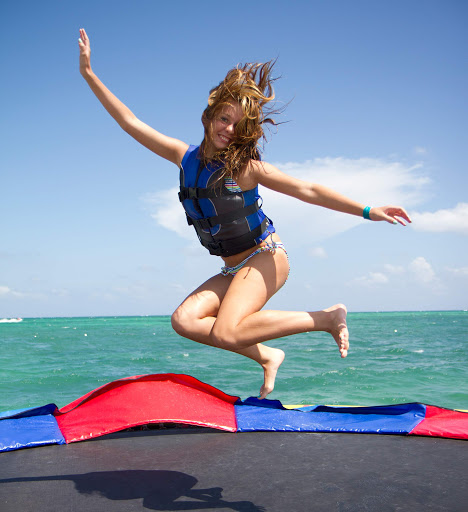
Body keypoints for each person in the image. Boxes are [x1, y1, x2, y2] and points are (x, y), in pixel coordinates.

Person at [78, 29, 411, 399]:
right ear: (208, 117)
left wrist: (367, 210)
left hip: (266, 256)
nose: (229, 129)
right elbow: (130, 122)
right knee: (184, 321)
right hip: (233, 268)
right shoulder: (182, 155)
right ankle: (268, 356)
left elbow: (308, 189)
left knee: (226, 331)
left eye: (237, 125)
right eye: (223, 119)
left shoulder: (246, 169)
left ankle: (327, 318)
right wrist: (90, 75)